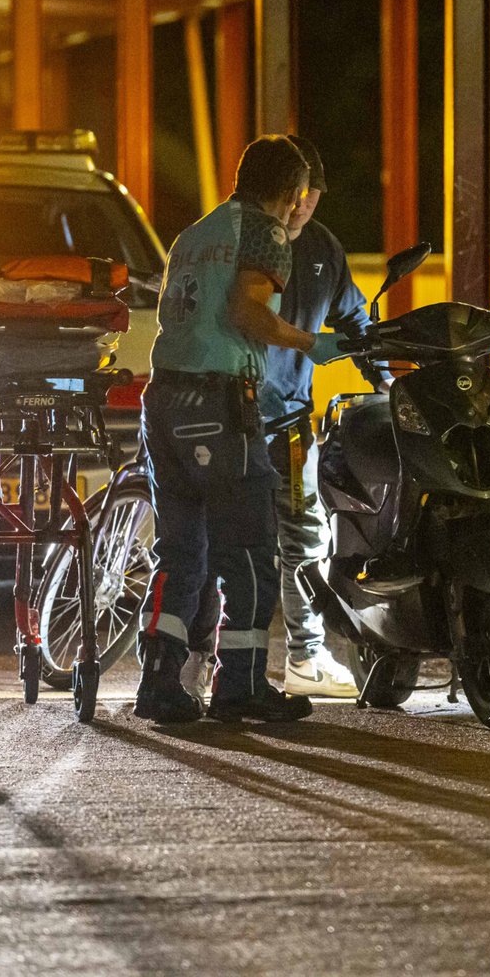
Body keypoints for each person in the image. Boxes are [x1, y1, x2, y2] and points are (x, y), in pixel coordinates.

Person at [133, 136, 346, 725]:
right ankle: (242, 686)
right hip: (219, 401)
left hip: (165, 399)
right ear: (291, 191)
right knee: (251, 549)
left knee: (181, 549)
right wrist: (311, 343)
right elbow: (246, 312)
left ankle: (160, 683)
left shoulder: (196, 233)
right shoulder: (265, 230)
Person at [261, 135, 391, 699]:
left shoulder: (322, 249)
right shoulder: (243, 239)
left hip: (289, 422)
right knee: (231, 541)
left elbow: (356, 320)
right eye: (296, 195)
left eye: (312, 196)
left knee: (303, 537)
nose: (303, 206)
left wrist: (388, 379)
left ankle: (304, 659)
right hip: (233, 415)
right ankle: (211, 659)